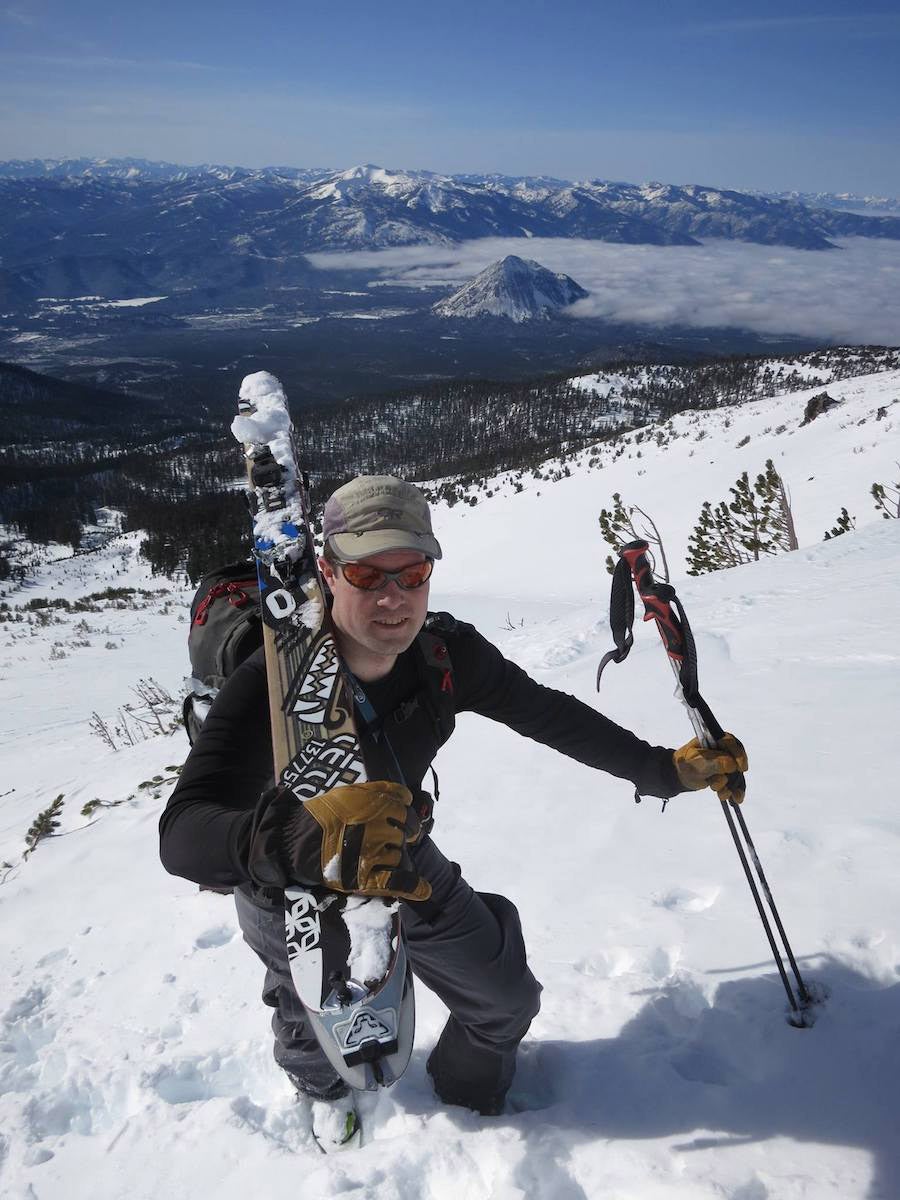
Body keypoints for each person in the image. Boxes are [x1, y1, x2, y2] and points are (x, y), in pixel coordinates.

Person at [159, 474, 747, 1143]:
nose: (392, 596)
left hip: (401, 855)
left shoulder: (443, 655)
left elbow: (548, 714)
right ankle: (323, 1093)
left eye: (412, 573)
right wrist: (295, 838)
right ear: (326, 571)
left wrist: (662, 769)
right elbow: (183, 834)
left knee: (504, 1000)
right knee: (313, 1018)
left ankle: (469, 1105)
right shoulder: (271, 681)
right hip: (291, 885)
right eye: (364, 573)